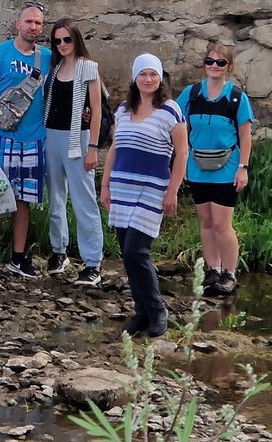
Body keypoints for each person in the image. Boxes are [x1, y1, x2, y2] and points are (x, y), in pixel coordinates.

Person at [101, 54, 189, 338]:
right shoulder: (124, 109)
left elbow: (182, 153)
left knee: (136, 251)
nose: (148, 79)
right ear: (135, 78)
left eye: (153, 74)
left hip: (152, 190)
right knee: (127, 255)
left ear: (160, 78)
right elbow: (115, 148)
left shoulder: (171, 111)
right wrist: (105, 185)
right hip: (122, 187)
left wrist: (172, 190)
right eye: (143, 74)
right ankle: (141, 311)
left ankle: (157, 309)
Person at [0, 2, 53, 282]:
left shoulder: (47, 57)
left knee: (24, 201)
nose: (34, 27)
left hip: (34, 140)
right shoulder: (0, 54)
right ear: (17, 24)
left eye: (39, 23)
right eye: (29, 22)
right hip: (1, 137)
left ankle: (18, 258)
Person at [176, 42, 255, 297]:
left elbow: (245, 137)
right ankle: (213, 270)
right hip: (198, 166)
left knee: (223, 224)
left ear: (228, 67)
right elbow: (175, 120)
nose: (214, 66)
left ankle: (230, 274)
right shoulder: (192, 93)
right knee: (207, 221)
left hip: (226, 167)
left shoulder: (236, 97)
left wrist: (243, 168)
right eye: (210, 61)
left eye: (220, 63)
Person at [41, 18, 105, 287]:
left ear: (76, 39)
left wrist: (93, 146)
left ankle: (93, 262)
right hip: (51, 135)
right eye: (57, 40)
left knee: (83, 199)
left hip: (77, 136)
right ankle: (59, 251)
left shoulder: (88, 67)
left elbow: (97, 109)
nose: (63, 44)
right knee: (55, 198)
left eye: (67, 39)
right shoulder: (54, 68)